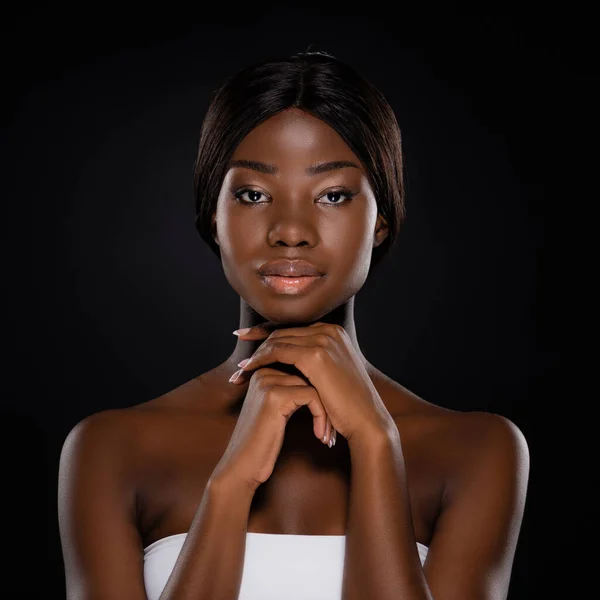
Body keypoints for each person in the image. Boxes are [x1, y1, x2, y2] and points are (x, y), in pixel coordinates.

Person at [57, 49, 530, 600]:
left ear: (383, 219)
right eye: (254, 195)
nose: (290, 230)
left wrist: (377, 445)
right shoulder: (111, 449)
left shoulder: (479, 451)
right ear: (214, 214)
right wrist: (231, 484)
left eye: (332, 195)